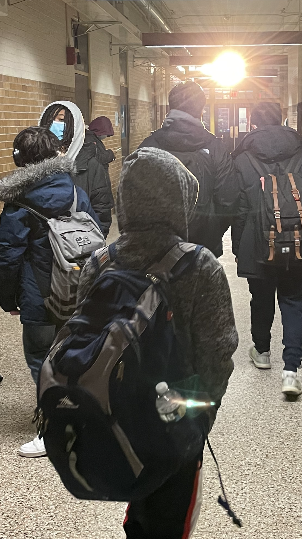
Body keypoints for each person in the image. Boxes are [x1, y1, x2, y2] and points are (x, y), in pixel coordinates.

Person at [76, 147, 238, 538]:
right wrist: (200, 419)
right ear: (177, 202)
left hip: (114, 414)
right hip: (175, 418)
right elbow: (217, 355)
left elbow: (82, 338)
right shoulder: (199, 265)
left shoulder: (99, 262)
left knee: (140, 502)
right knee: (172, 518)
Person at [0, 126, 100, 457]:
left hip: (38, 297)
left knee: (41, 360)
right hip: (78, 290)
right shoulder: (76, 193)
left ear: (19, 160)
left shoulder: (19, 203)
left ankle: (54, 430)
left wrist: (8, 299)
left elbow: (8, 257)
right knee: (75, 358)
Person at [232, 102, 302, 396]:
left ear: (253, 122)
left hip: (256, 241)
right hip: (297, 242)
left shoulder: (243, 158)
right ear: (282, 121)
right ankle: (291, 371)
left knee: (260, 298)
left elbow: (238, 209)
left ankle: (261, 352)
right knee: (294, 301)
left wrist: (239, 248)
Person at [140, 82, 238, 257]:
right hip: (203, 249)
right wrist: (212, 233)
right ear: (202, 110)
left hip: (157, 252)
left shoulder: (148, 146)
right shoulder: (216, 148)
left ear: (170, 107)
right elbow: (228, 201)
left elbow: (133, 199)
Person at [39, 101, 113, 237]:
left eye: (61, 120)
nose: (55, 124)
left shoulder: (90, 166)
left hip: (78, 249)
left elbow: (102, 211)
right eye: (51, 120)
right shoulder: (35, 163)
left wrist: (89, 248)